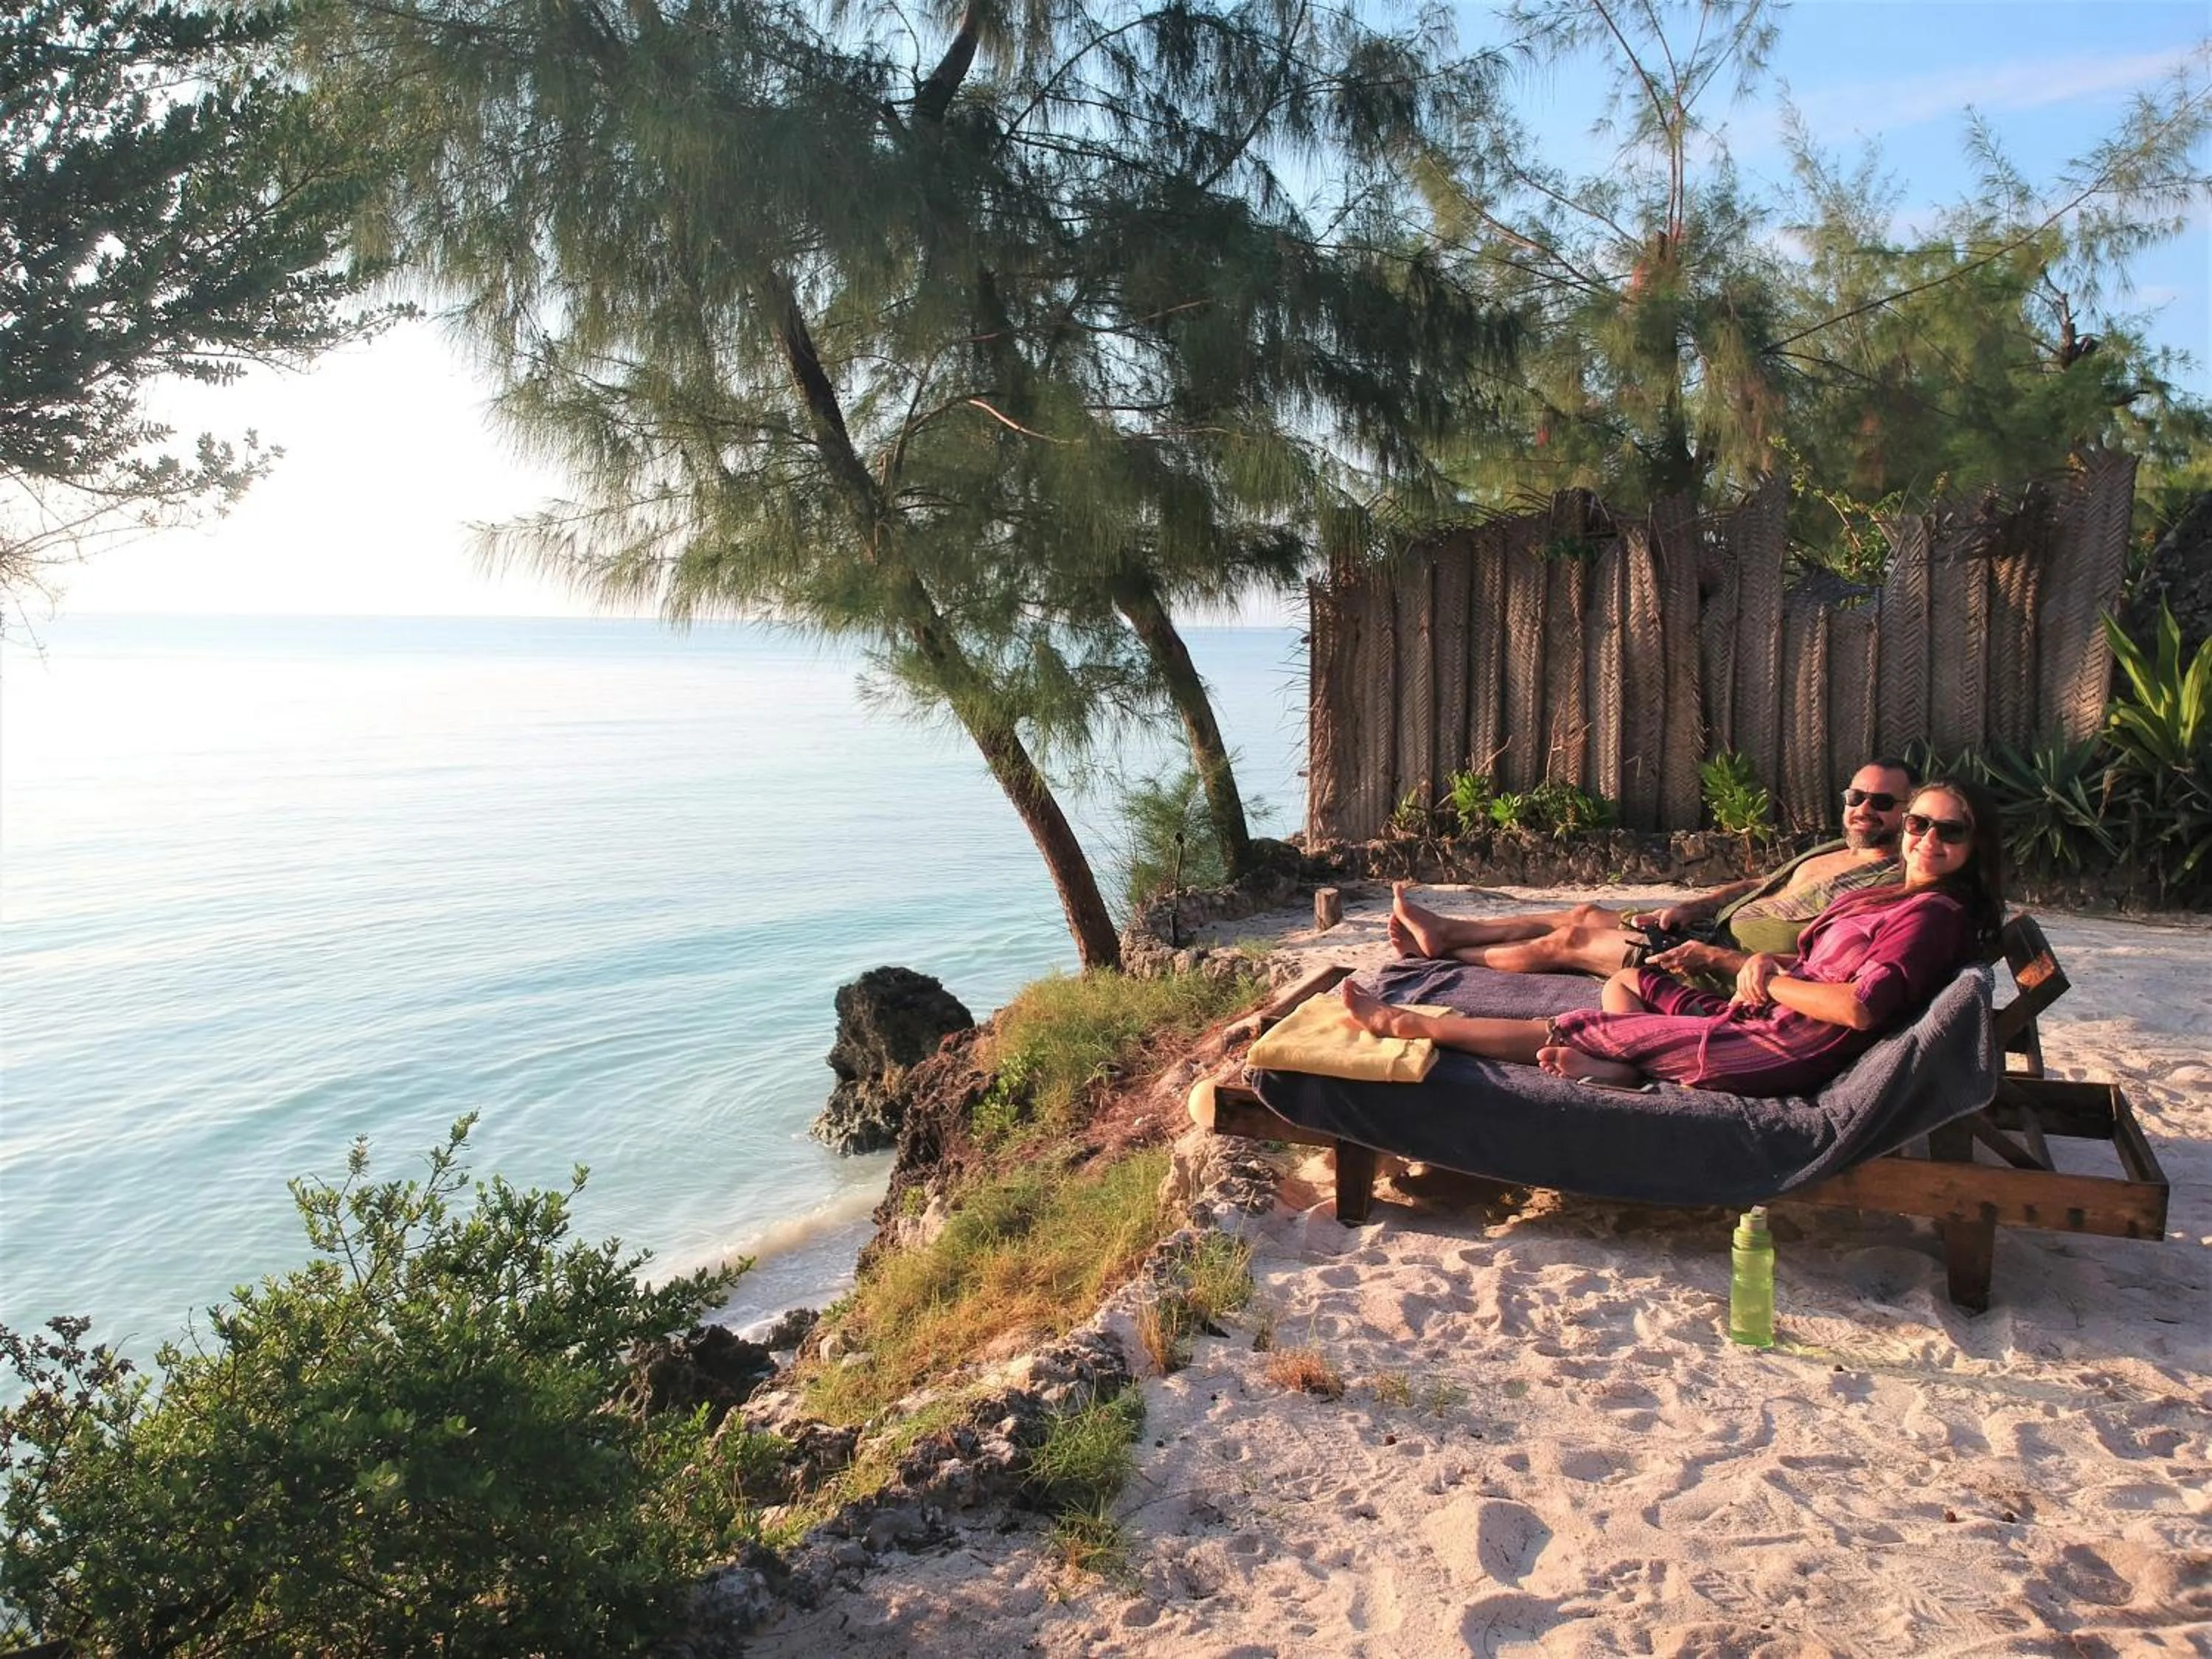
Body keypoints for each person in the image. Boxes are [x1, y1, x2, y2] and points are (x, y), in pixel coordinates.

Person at [1340, 779, 2004, 1098]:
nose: (1927, 838)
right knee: (1622, 976)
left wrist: (1763, 974)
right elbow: (1811, 947)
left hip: (1777, 1043)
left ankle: (1405, 1024)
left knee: (1572, 1021)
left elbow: (1861, 1006)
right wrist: (1767, 959)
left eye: (1951, 831)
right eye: (1921, 822)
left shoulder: (1929, 913)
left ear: (1977, 846)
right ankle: (1624, 1068)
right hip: (1762, 999)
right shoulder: (1893, 890)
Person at [1386, 759, 1917, 979]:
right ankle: (1446, 932)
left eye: (1882, 803)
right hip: (1708, 926)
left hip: (1718, 960)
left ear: (1908, 813)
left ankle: (1455, 955)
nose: (1864, 809)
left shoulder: (1891, 880)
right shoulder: (1831, 850)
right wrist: (1693, 905)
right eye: (1856, 796)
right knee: (1584, 910)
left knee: (1568, 943)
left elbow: (1831, 960)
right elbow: (1759, 883)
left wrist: (1716, 954)